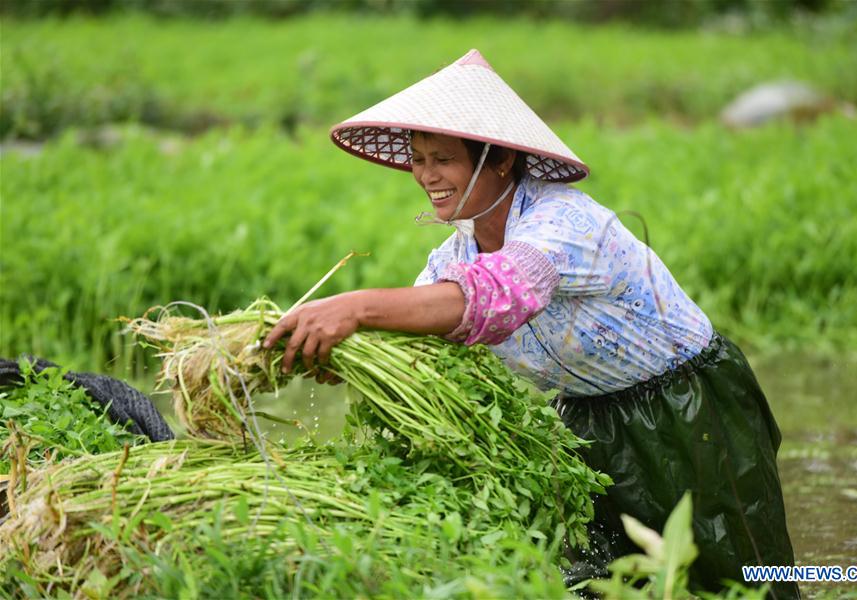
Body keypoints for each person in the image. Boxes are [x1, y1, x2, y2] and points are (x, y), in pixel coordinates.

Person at [263, 49, 798, 598]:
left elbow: (498, 295)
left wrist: (354, 308)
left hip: (691, 408)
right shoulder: (449, 263)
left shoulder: (564, 222)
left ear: (499, 160)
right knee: (603, 585)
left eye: (442, 158)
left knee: (741, 577)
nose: (425, 175)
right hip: (588, 423)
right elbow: (421, 334)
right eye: (418, 158)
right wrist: (350, 352)